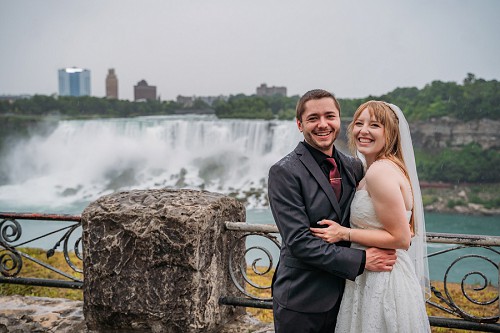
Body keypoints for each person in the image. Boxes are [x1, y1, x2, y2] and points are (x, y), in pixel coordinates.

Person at [268, 90, 397, 333]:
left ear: (339, 120)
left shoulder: (354, 166)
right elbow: (299, 241)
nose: (323, 124)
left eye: (330, 116)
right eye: (313, 118)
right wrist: (362, 260)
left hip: (352, 296)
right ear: (300, 124)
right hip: (302, 298)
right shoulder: (284, 172)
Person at [311, 100, 431, 332]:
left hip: (382, 279)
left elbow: (401, 239)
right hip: (374, 272)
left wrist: (344, 232)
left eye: (374, 125)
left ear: (391, 132)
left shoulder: (379, 172)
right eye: (359, 123)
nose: (363, 131)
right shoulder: (377, 168)